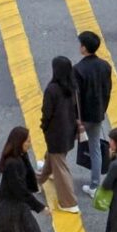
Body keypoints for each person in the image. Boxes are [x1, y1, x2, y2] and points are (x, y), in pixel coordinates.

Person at [0, 126, 48, 232]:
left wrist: (25, 156)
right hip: (10, 209)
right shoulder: (12, 163)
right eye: (27, 141)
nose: (30, 144)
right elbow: (20, 190)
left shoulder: (20, 157)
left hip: (16, 207)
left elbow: (27, 181)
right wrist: (40, 207)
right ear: (19, 142)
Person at [38, 56, 80, 213]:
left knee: (60, 168)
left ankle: (69, 202)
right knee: (53, 158)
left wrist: (44, 126)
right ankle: (37, 181)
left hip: (55, 133)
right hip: (69, 131)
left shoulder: (52, 89)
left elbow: (47, 112)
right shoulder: (73, 87)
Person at [73, 30, 112, 196]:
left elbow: (76, 97)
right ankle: (95, 185)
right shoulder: (105, 66)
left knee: (61, 144)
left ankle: (50, 168)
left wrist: (77, 119)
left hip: (81, 117)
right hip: (97, 115)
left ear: (84, 48)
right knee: (95, 148)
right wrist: (102, 110)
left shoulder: (78, 69)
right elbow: (108, 91)